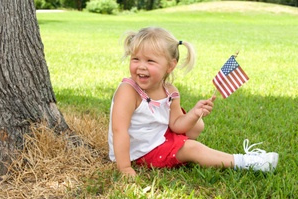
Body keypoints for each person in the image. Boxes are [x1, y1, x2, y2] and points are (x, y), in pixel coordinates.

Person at [108, 26, 278, 177]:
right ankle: (247, 162)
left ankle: (208, 150)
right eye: (135, 59)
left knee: (196, 127)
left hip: (156, 137)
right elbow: (119, 130)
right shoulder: (129, 91)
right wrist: (124, 167)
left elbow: (176, 125)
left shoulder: (170, 90)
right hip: (138, 151)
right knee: (191, 148)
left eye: (150, 61)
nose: (141, 66)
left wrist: (195, 113)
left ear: (170, 66)